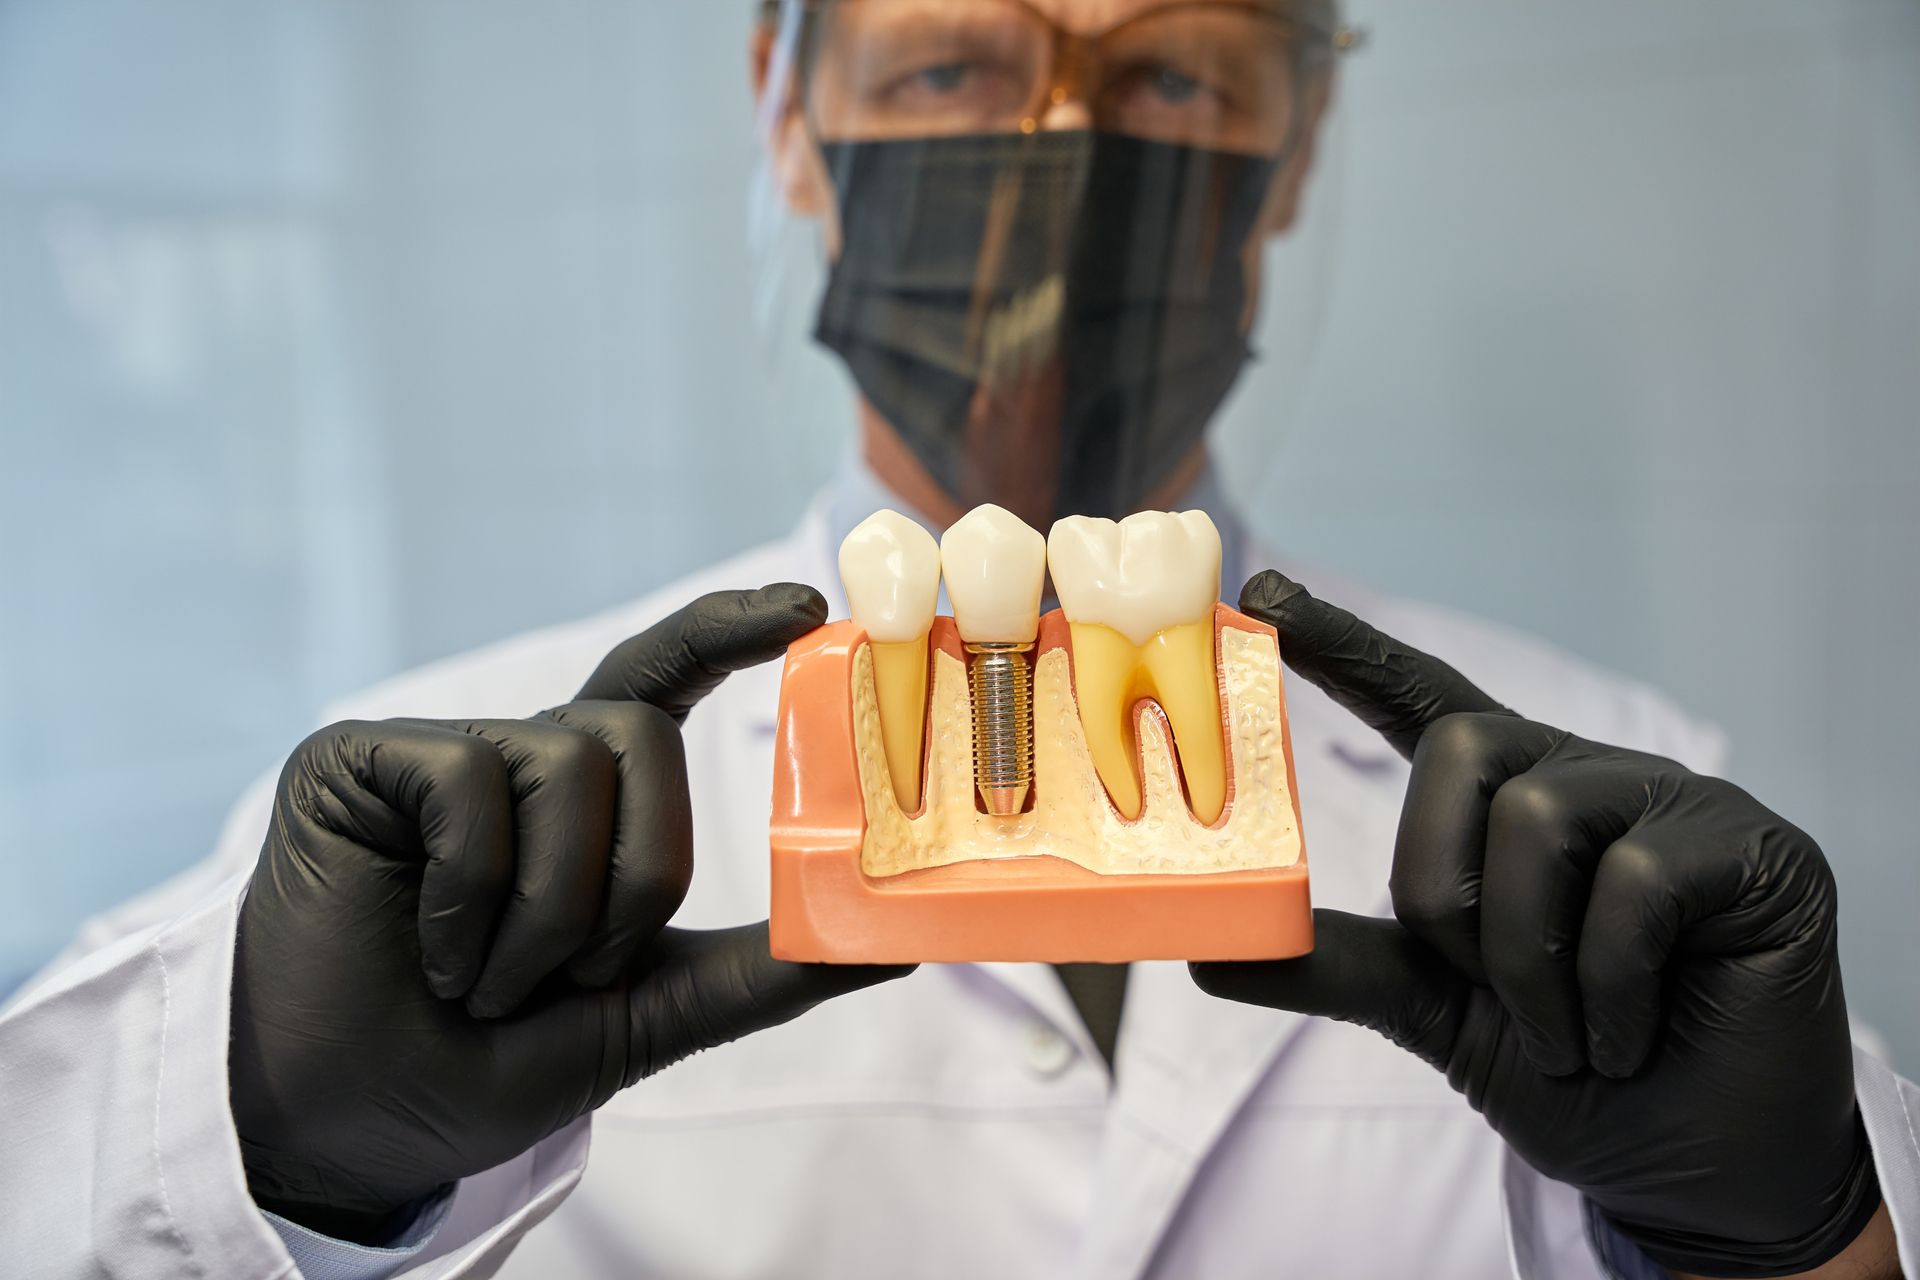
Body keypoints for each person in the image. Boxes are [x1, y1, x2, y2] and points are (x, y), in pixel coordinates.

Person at [2, 1, 1913, 1275]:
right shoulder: (426, 810)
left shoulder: (1615, 799)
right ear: (788, 111)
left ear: (1301, 139)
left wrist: (1795, 1240)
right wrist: (276, 1159)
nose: (1057, 158)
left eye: (1176, 79)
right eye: (946, 69)